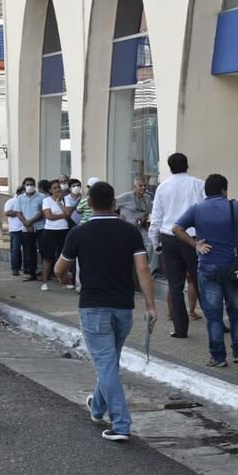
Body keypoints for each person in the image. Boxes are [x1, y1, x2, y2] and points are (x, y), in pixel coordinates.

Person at [55, 181, 157, 442]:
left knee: (106, 364)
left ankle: (121, 424)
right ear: (114, 203)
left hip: (93, 307)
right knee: (109, 363)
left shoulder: (78, 233)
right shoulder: (130, 232)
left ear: (89, 204)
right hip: (123, 307)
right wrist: (151, 305)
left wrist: (65, 278)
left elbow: (59, 268)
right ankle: (97, 408)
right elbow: (143, 269)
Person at [172, 174, 238, 367]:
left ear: (206, 191)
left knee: (213, 315)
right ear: (224, 190)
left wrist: (196, 244)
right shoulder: (235, 207)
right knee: (236, 311)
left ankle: (218, 357)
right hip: (234, 268)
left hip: (208, 267)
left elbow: (176, 228)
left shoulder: (196, 209)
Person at [149, 152, 205, 338]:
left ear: (169, 167)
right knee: (201, 281)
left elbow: (156, 217)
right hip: (193, 239)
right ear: (187, 165)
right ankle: (215, 323)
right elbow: (207, 210)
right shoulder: (199, 184)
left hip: (170, 238)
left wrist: (155, 242)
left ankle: (181, 329)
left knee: (175, 285)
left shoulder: (162, 187)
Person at [116, 176, 157, 274]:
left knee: (152, 243)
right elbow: (110, 203)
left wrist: (144, 218)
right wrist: (116, 216)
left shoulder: (148, 198)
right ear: (135, 186)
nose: (143, 188)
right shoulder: (127, 196)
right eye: (140, 186)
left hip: (139, 229)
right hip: (126, 229)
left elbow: (147, 213)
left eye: (145, 185)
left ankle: (151, 270)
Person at [40, 179, 72, 291]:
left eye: (58, 187)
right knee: (48, 257)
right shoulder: (46, 200)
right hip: (50, 231)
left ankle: (64, 281)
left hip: (64, 230)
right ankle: (44, 282)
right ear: (50, 190)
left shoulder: (66, 199)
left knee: (63, 257)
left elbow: (68, 214)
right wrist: (63, 215)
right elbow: (49, 216)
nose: (57, 189)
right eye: (54, 188)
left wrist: (59, 203)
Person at [15, 177, 45, 281]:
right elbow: (18, 213)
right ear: (24, 185)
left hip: (40, 227)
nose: (30, 186)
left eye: (31, 184)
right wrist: (26, 224)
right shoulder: (20, 198)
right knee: (30, 251)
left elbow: (42, 212)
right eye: (27, 184)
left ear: (35, 185)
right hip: (26, 229)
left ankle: (45, 273)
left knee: (43, 250)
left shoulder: (41, 197)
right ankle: (32, 273)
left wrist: (30, 222)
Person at [4, 186, 25, 276]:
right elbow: (7, 213)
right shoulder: (11, 201)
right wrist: (19, 212)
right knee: (15, 249)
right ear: (19, 193)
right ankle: (15, 268)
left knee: (27, 249)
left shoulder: (26, 201)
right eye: (23, 193)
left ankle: (26, 268)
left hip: (26, 228)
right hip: (15, 229)